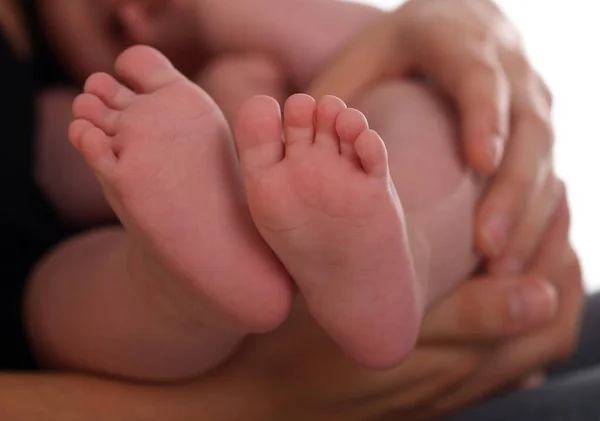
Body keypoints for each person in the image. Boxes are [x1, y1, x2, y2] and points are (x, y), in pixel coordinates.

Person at [0, 0, 582, 419]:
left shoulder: (263, 29)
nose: (136, 16)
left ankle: (403, 261)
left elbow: (396, 44)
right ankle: (185, 288)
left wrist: (220, 17)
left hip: (353, 216)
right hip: (134, 317)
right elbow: (48, 161)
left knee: (421, 110)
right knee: (54, 292)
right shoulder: (74, 97)